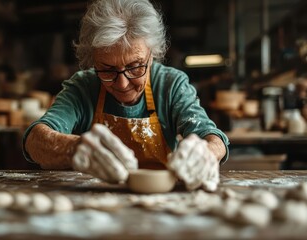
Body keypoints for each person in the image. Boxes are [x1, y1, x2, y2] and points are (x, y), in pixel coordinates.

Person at [23, 0, 229, 191]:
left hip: (159, 200)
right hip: (96, 198)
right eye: (106, 69)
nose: (122, 83)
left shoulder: (170, 85)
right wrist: (72, 149)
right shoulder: (83, 86)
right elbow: (34, 140)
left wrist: (206, 153)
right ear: (92, 59)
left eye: (135, 67)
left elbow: (212, 137)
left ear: (153, 54)